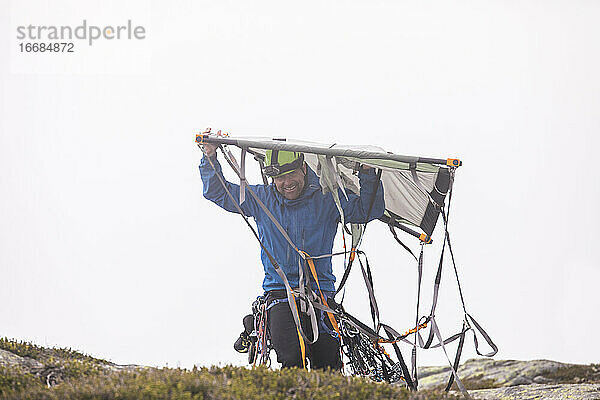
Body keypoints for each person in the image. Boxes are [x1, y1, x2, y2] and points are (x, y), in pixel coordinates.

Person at [199, 142, 385, 370]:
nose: (286, 183)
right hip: (280, 294)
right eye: (280, 178)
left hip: (321, 295)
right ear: (273, 178)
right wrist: (210, 155)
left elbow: (369, 209)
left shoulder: (327, 200)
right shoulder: (261, 199)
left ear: (304, 169)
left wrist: (367, 172)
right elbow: (218, 192)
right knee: (291, 359)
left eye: (291, 175)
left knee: (329, 368)